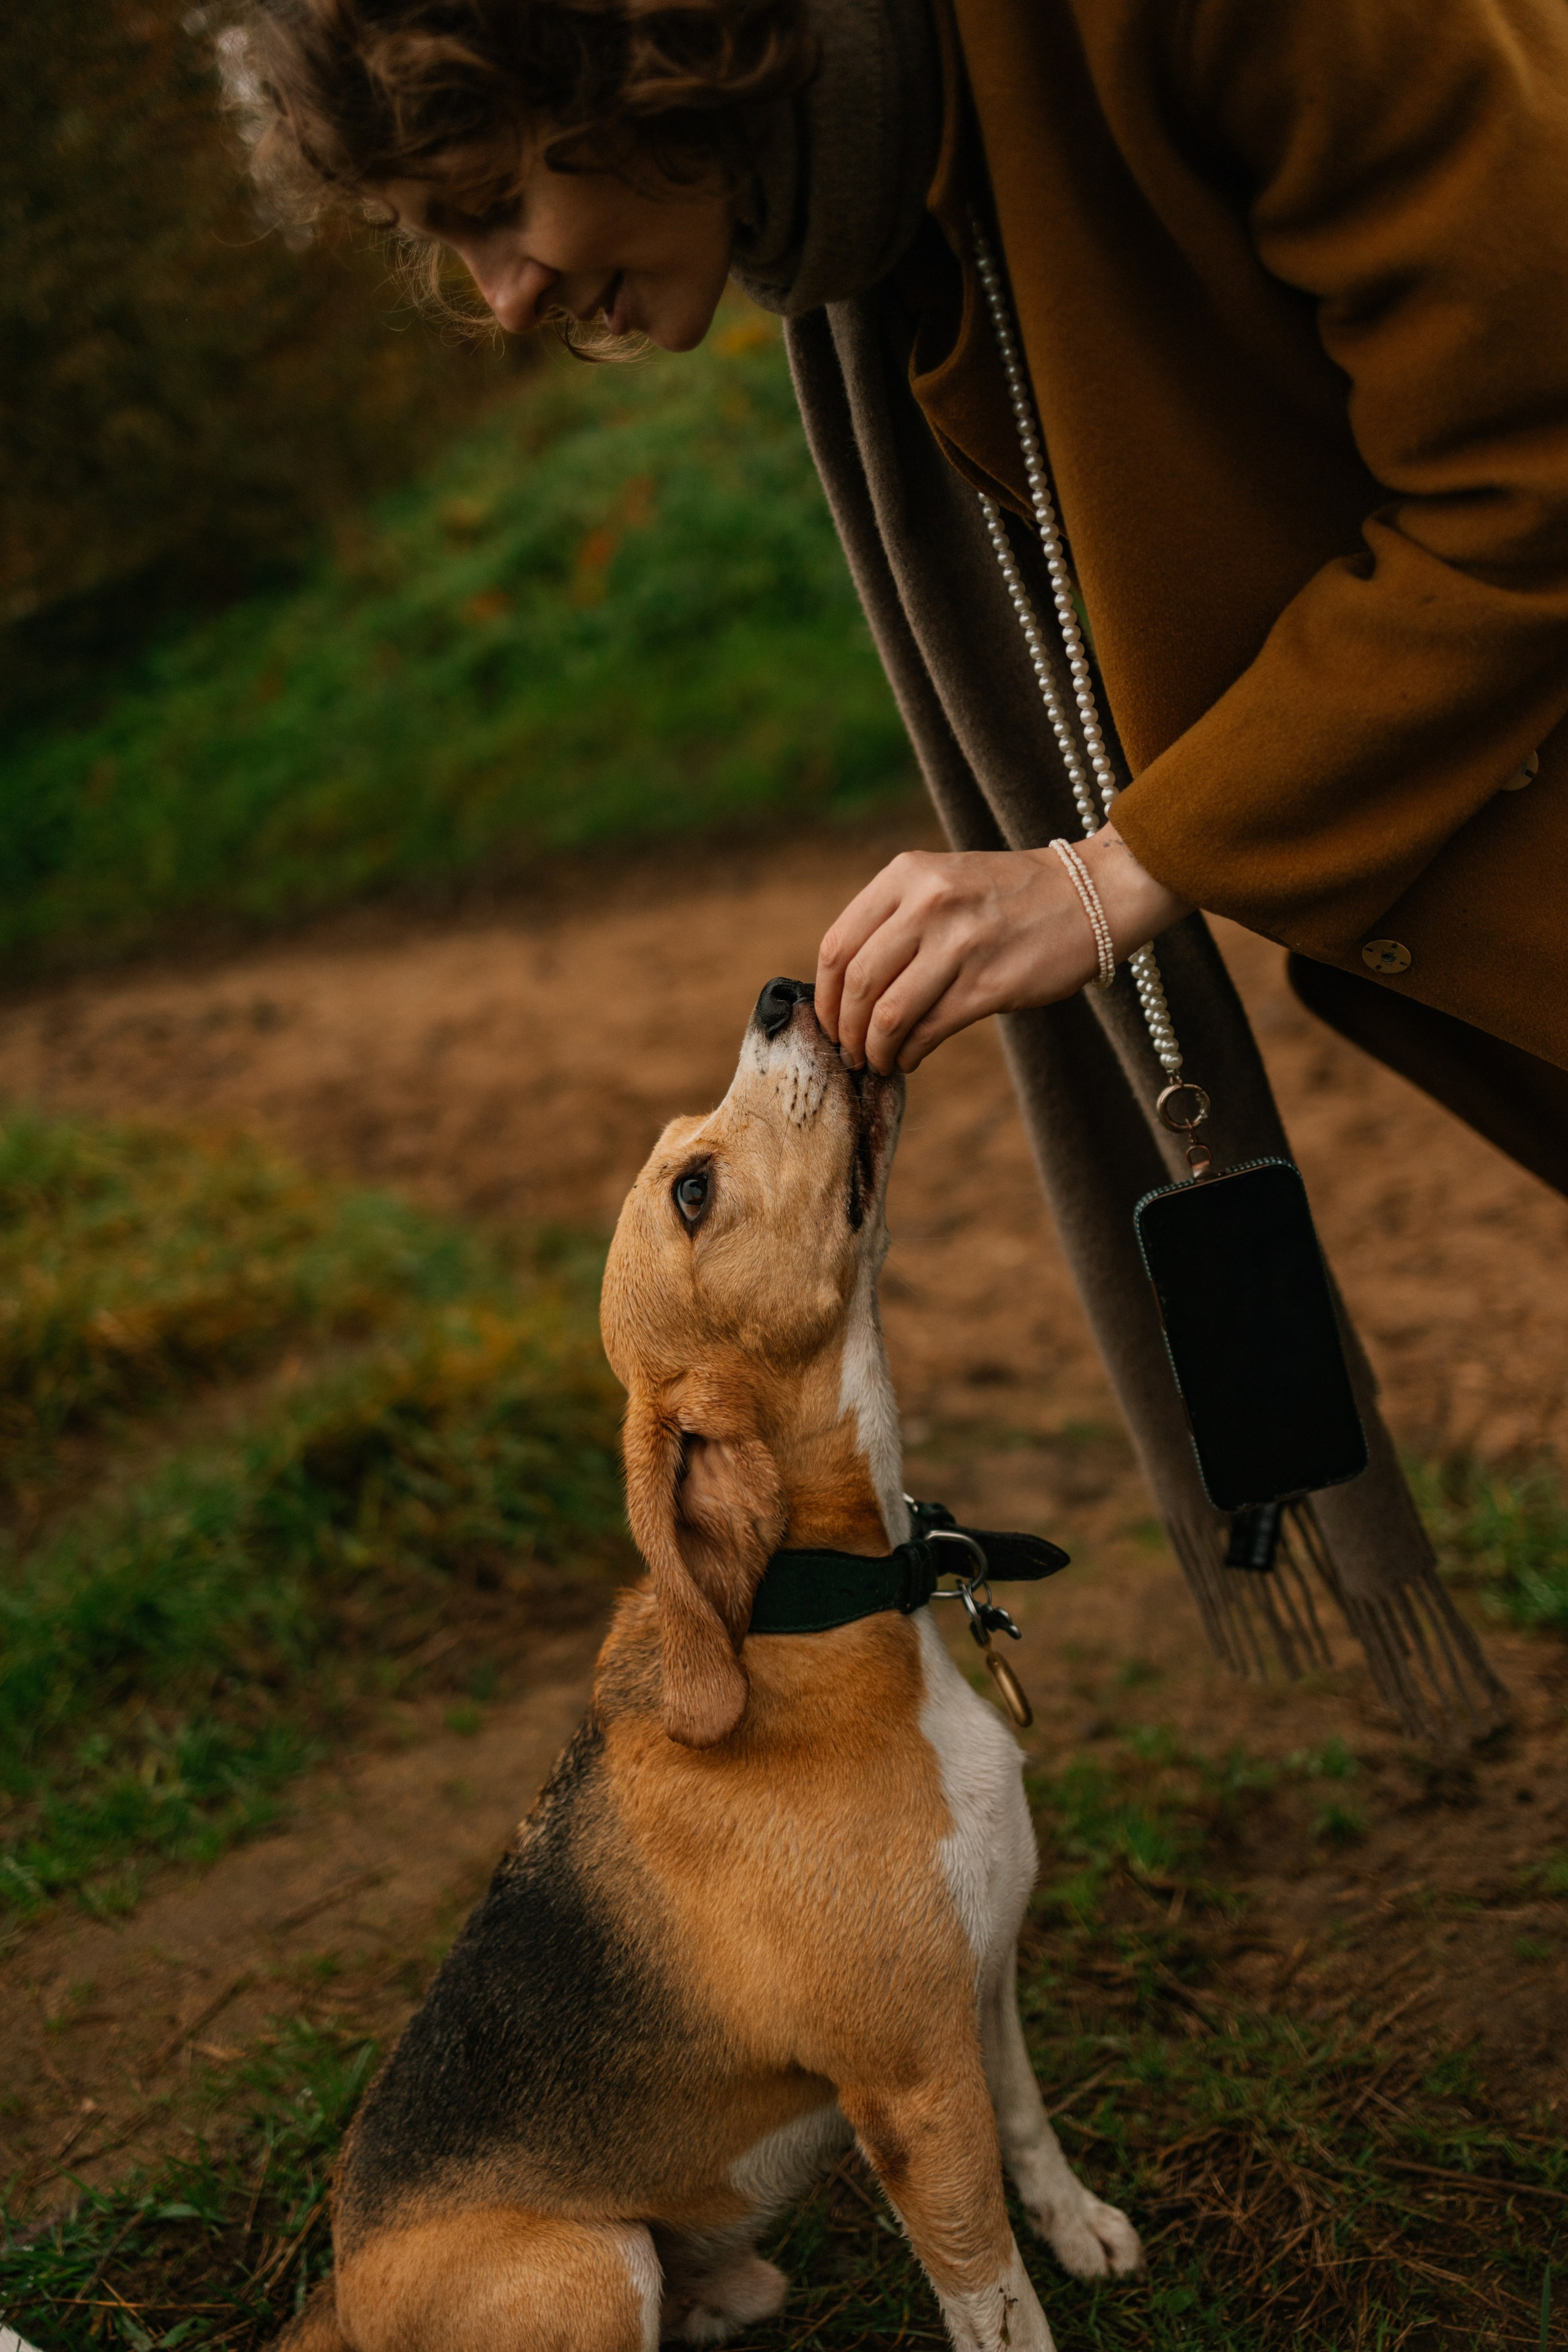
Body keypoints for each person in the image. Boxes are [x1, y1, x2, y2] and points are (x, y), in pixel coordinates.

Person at [237, 0, 1565, 1733]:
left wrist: (1119, 867)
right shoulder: (882, 204)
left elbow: (1533, 471)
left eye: (496, 204)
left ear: (644, 60)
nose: (505, 295)